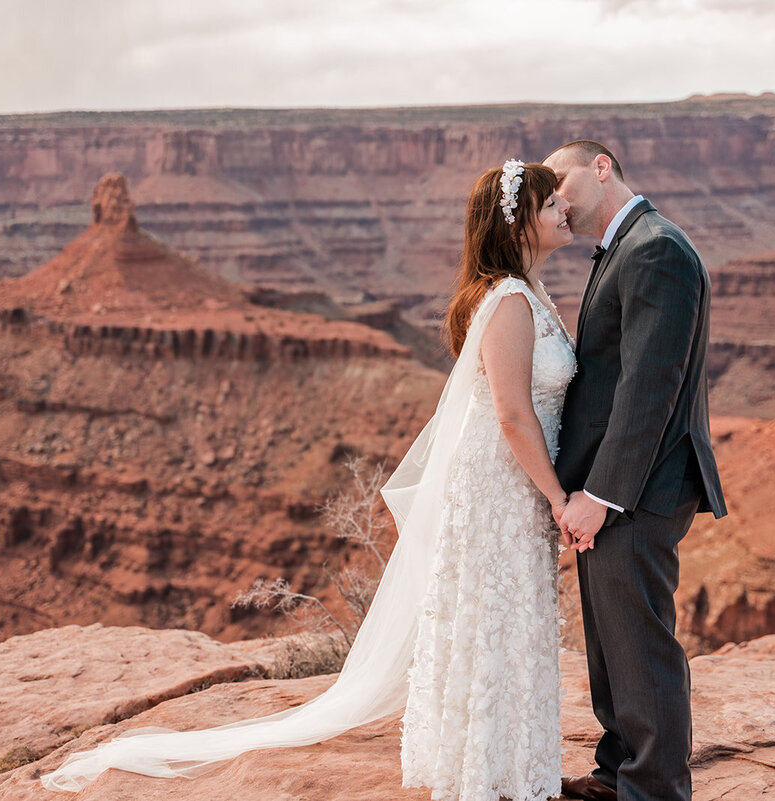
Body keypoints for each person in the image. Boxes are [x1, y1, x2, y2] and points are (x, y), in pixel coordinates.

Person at [39, 159, 578, 801]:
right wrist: (557, 497)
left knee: (498, 618)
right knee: (496, 617)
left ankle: (498, 763)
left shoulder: (525, 291)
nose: (562, 213)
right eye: (549, 206)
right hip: (503, 489)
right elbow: (514, 416)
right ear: (519, 223)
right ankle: (493, 772)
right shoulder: (511, 301)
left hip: (507, 485)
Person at [543, 140, 728, 801]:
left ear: (601, 168)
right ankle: (618, 772)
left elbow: (651, 387)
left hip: (640, 488)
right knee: (612, 640)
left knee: (641, 644)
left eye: (560, 176)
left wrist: (601, 495)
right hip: (619, 488)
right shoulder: (627, 247)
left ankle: (653, 788)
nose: (556, 194)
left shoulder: (655, 248)